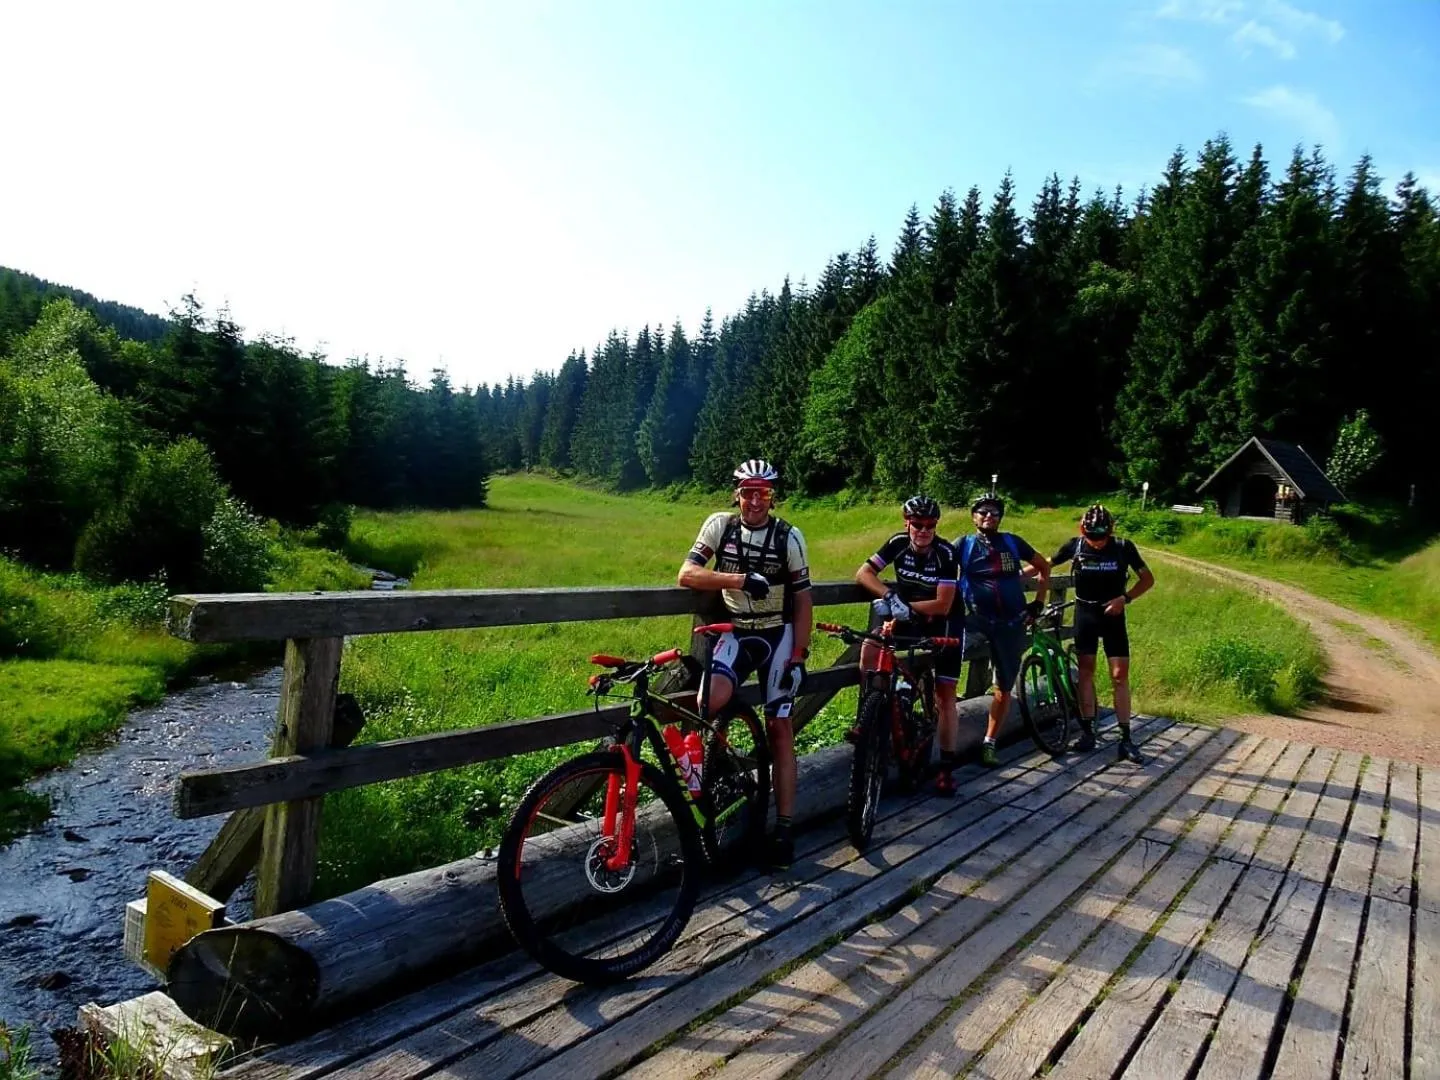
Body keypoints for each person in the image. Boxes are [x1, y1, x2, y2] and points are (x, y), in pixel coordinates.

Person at [677, 458, 813, 871]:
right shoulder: (720, 525)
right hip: (736, 631)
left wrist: (799, 655)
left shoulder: (789, 536)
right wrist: (737, 580)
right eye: (748, 492)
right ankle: (719, 780)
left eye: (763, 493)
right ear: (736, 494)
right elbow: (687, 574)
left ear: (772, 497)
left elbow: (803, 600)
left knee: (780, 728)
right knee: (708, 701)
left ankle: (784, 828)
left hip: (777, 635)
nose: (755, 501)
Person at [854, 495, 963, 795]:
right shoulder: (897, 543)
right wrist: (890, 597)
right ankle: (868, 715)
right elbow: (863, 573)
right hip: (908, 612)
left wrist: (905, 607)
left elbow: (943, 604)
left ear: (936, 526)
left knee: (945, 694)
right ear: (907, 524)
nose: (923, 530)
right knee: (871, 645)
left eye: (930, 525)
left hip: (945, 621)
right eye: (917, 524)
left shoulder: (946, 553)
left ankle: (946, 769)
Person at [1049, 504, 1154, 764]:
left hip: (1113, 616)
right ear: (1081, 530)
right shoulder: (1074, 546)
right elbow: (1045, 564)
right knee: (1086, 671)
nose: (1096, 542)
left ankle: (1126, 738)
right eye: (1091, 536)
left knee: (1119, 676)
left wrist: (1124, 599)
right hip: (1085, 613)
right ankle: (1087, 731)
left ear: (1111, 531)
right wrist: (1014, 576)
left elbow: (1147, 579)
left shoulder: (1123, 547)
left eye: (1102, 536)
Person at [954, 492, 1050, 768]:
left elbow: (1043, 566)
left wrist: (1038, 603)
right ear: (973, 516)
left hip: (1011, 623)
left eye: (994, 512)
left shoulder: (1012, 542)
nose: (988, 516)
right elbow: (940, 570)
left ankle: (989, 742)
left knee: (1004, 686)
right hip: (976, 621)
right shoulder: (964, 544)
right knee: (943, 662)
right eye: (983, 511)